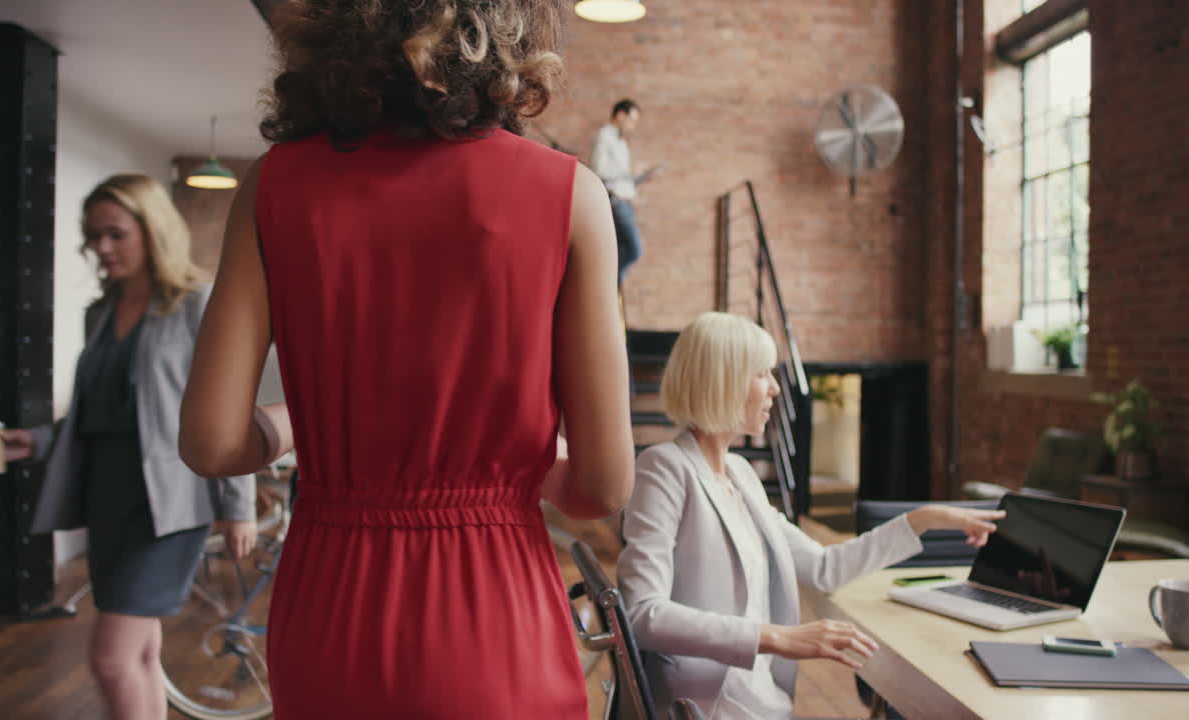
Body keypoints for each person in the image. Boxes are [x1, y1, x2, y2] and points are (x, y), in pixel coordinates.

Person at [177, 1, 635, 717]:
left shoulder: (273, 187)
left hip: (330, 600)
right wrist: (496, 457)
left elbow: (211, 442)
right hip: (494, 602)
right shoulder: (570, 194)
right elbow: (601, 488)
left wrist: (310, 425)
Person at [616, 312, 1005, 718]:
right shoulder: (665, 468)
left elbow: (823, 567)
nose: (773, 389)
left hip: (755, 693)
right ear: (723, 379)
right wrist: (776, 638)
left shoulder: (741, 474)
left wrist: (922, 520)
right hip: (704, 702)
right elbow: (643, 612)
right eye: (761, 374)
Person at [0, 174, 257, 720]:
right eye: (93, 237)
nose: (102, 248)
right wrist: (39, 439)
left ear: (152, 230)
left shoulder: (196, 305)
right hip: (106, 504)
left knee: (111, 659)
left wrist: (238, 507)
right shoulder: (99, 313)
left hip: (168, 508)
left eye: (115, 234)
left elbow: (229, 409)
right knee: (139, 650)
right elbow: (100, 412)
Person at [589, 98, 655, 285]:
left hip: (625, 202)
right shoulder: (604, 136)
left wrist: (640, 178)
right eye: (632, 120)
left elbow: (622, 179)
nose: (633, 126)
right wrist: (629, 172)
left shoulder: (621, 142)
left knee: (619, 251)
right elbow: (599, 171)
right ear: (620, 115)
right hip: (616, 203)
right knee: (634, 250)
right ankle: (608, 284)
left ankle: (610, 286)